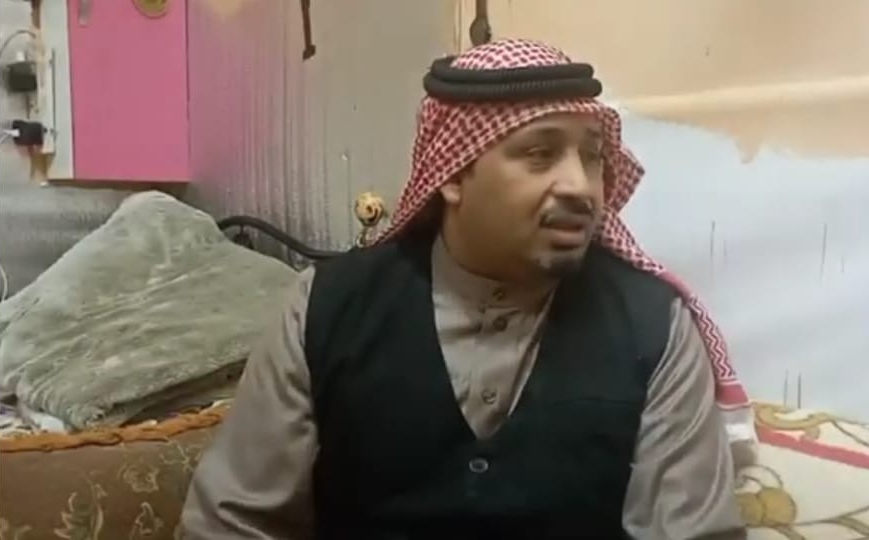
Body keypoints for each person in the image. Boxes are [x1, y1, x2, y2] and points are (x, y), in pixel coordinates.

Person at [182, 38, 754, 540]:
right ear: (452, 173)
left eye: (592, 156)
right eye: (540, 154)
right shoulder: (327, 309)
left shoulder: (655, 327)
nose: (581, 186)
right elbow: (232, 524)